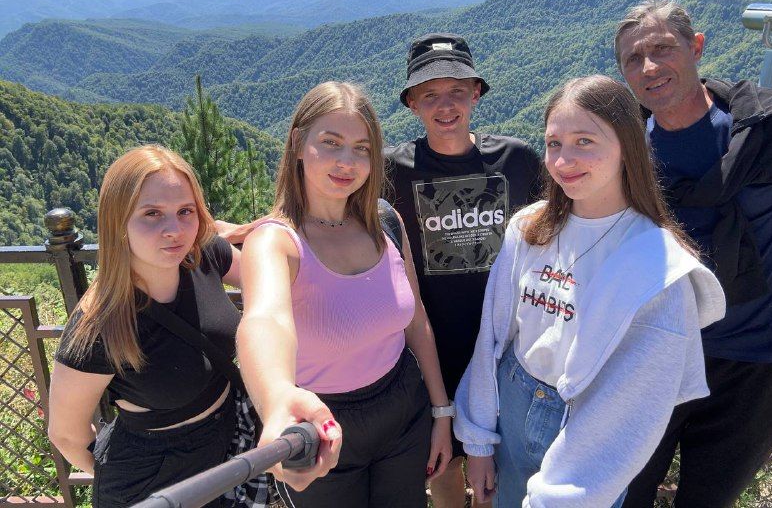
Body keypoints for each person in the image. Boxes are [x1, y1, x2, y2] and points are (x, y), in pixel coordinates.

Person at [454, 75, 726, 508]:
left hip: (589, 426)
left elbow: (632, 405)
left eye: (585, 141)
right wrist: (479, 440)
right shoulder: (530, 228)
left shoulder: (658, 269)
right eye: (554, 143)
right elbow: (494, 337)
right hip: (513, 405)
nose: (564, 160)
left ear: (627, 147)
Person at [47, 145, 339, 507]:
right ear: (117, 222)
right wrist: (123, 478)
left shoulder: (204, 256)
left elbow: (272, 283)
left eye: (185, 211)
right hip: (152, 477)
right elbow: (67, 435)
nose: (174, 230)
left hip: (228, 444)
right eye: (152, 214)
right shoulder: (100, 326)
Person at [614, 0, 772, 507]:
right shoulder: (623, 150)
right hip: (659, 355)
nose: (649, 67)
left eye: (662, 49)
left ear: (696, 47)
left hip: (756, 365)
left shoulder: (771, 129)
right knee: (624, 492)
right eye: (634, 59)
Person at [236, 81, 452, 508]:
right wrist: (277, 400)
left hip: (404, 411)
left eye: (361, 148)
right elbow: (264, 320)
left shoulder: (385, 222)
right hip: (321, 423)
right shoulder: (276, 242)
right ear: (298, 144)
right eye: (331, 143)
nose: (346, 162)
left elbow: (416, 321)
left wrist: (441, 410)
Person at [384, 33, 542, 508]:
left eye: (456, 90)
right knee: (443, 465)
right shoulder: (392, 171)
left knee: (500, 467)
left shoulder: (518, 161)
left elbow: (560, 227)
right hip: (432, 351)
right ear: (412, 103)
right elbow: (331, 211)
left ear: (476, 93)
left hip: (506, 348)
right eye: (430, 94)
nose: (445, 105)